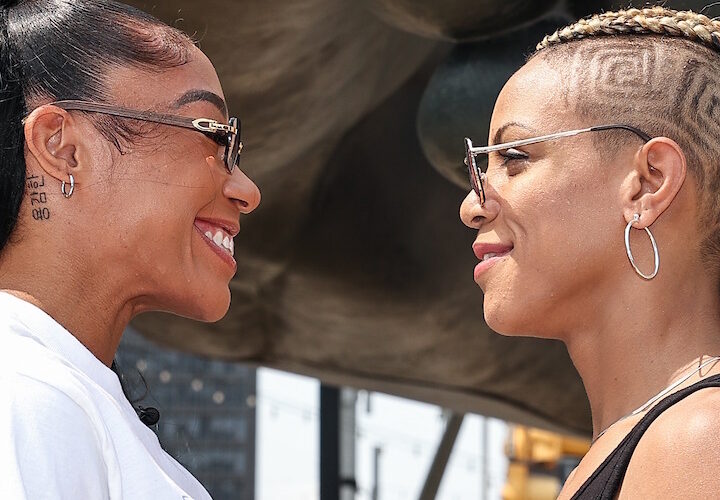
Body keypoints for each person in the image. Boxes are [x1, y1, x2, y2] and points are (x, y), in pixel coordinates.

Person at [0, 0, 261, 498]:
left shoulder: (56, 389)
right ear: (62, 148)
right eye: (214, 136)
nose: (248, 191)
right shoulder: (27, 389)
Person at [460, 6, 720, 499]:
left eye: (514, 158)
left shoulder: (697, 441)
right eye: (480, 167)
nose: (472, 206)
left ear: (648, 183)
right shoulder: (644, 445)